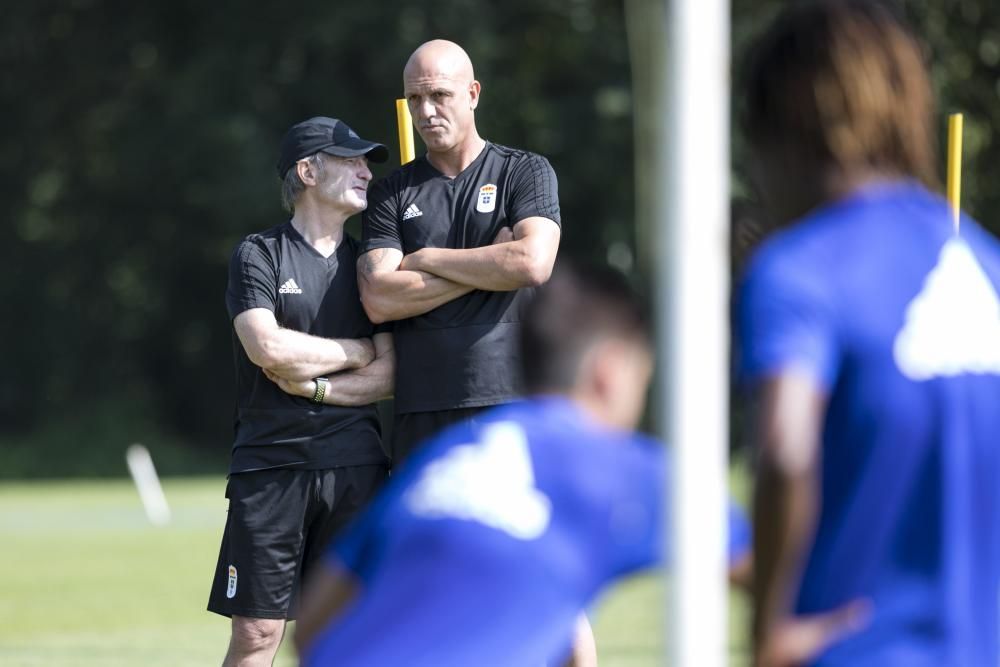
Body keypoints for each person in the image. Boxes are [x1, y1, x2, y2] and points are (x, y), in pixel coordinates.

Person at [293, 262, 753, 667]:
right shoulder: (619, 464)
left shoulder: (448, 455)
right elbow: (768, 570)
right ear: (610, 371)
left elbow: (311, 629)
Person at [738, 2, 1000, 665]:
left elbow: (786, 449)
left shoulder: (800, 269)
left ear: (780, 129)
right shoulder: (984, 261)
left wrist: (767, 629)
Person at [207, 116, 395, 667]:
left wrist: (315, 387)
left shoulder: (371, 264)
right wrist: (357, 352)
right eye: (351, 159)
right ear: (308, 171)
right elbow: (266, 348)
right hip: (270, 466)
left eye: (367, 160)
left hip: (356, 466)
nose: (366, 171)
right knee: (259, 634)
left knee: (350, 630)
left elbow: (391, 376)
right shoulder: (258, 254)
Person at [357, 39, 562, 464]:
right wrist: (491, 261)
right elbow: (378, 297)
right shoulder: (390, 192)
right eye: (415, 98)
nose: (426, 112)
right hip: (422, 409)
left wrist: (426, 258)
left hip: (511, 399)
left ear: (472, 94)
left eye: (439, 95)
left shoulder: (524, 171)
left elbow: (531, 262)